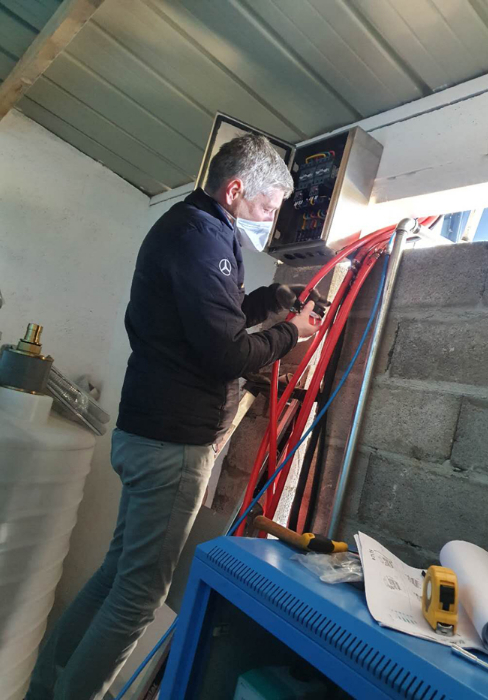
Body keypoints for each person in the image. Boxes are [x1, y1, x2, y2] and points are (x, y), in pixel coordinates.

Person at [27, 134, 319, 700]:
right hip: (173, 444)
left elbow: (209, 321)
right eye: (270, 203)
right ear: (235, 189)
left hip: (147, 431)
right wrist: (291, 334)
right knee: (138, 597)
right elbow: (227, 353)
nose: (274, 215)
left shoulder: (192, 228)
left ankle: (48, 688)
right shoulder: (202, 237)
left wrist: (270, 300)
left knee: (117, 575)